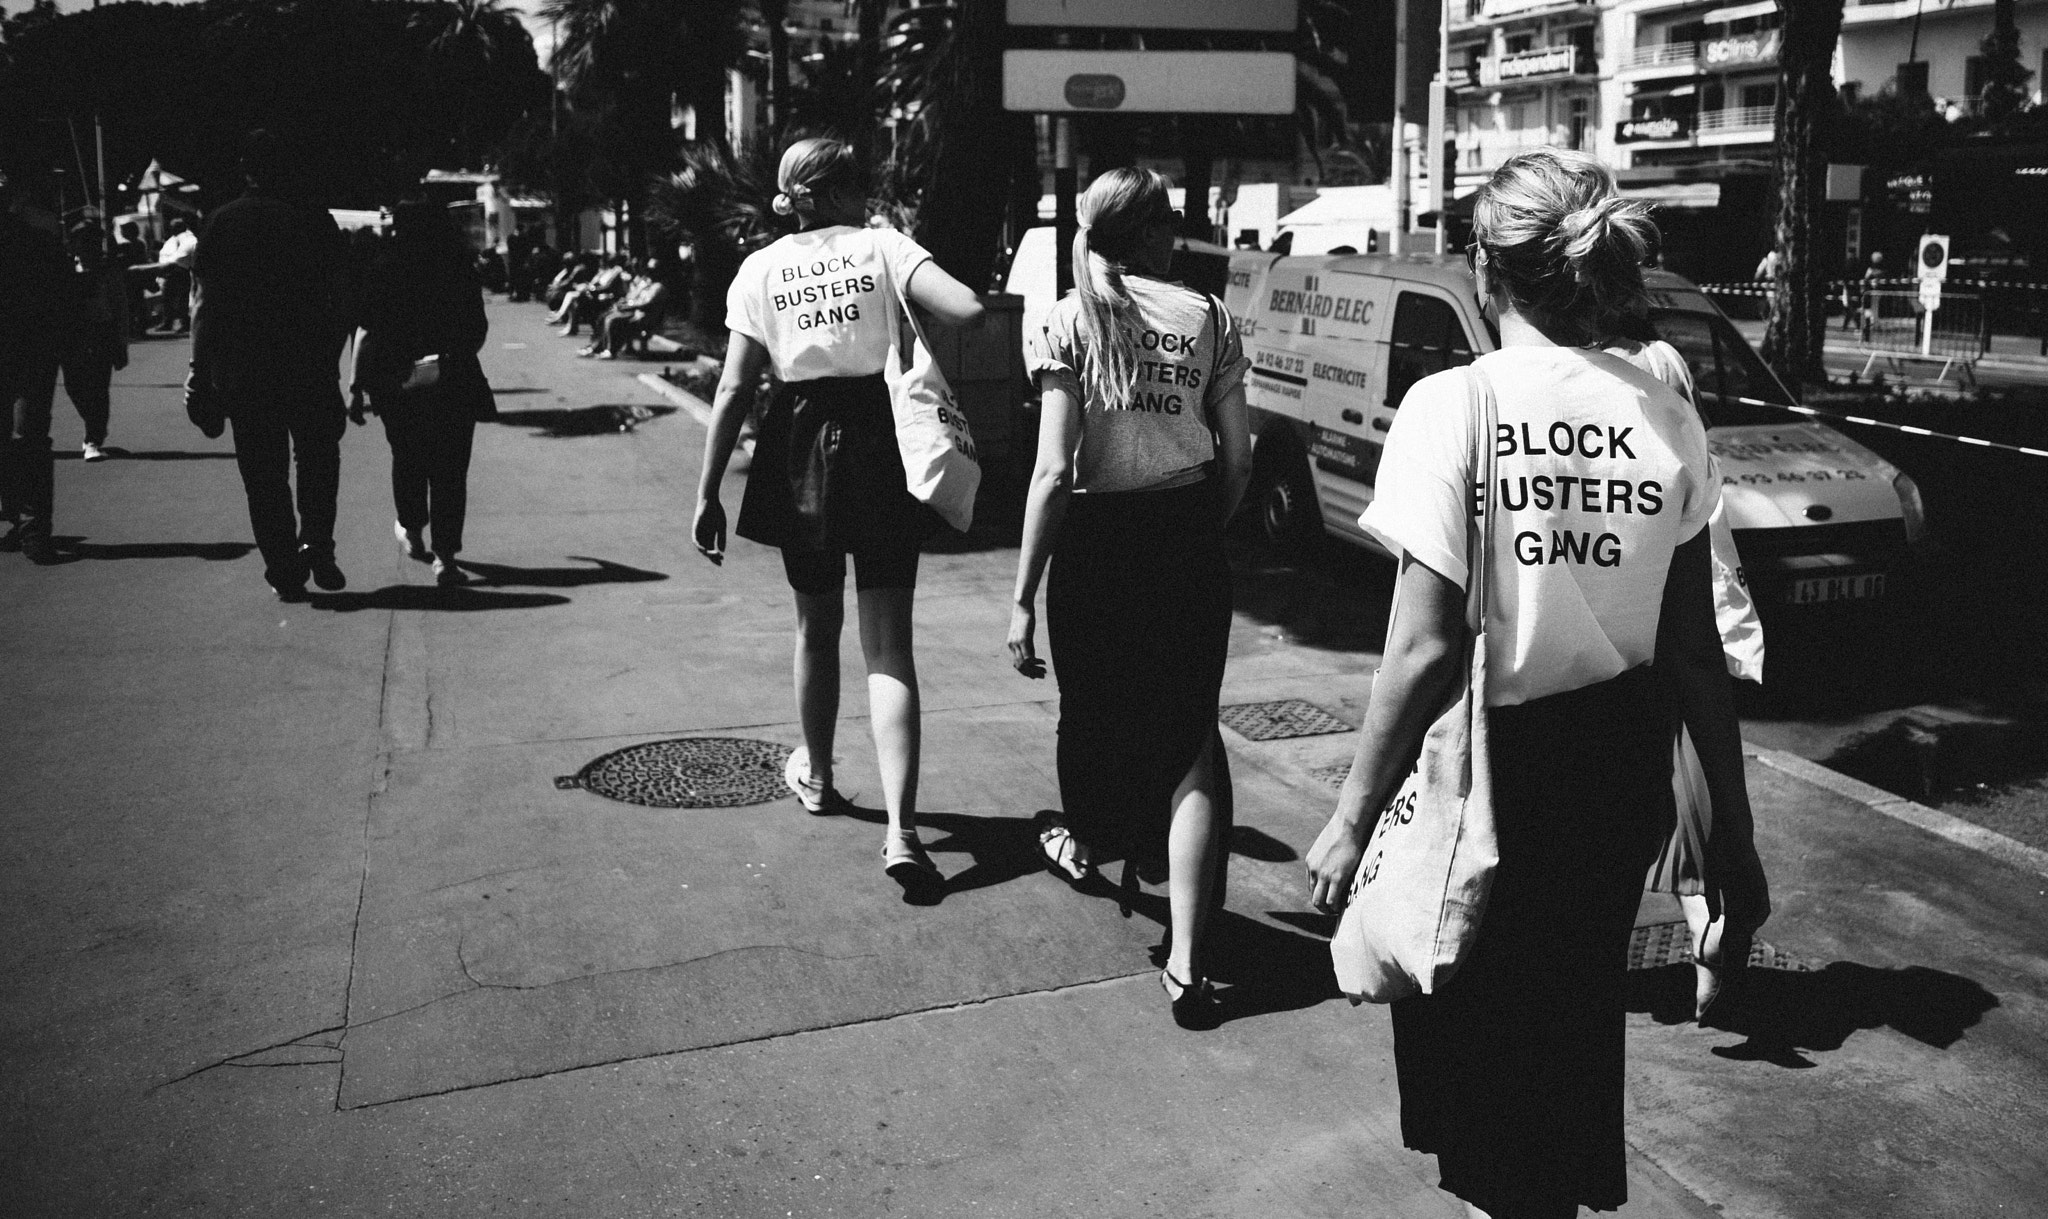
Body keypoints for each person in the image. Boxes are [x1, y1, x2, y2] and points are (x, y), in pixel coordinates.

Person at [1304, 148, 1770, 1219]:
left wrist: (1348, 816)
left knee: (1475, 1075)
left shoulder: (1451, 405)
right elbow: (1693, 651)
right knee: (1561, 1048)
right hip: (1614, 770)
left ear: (1484, 268)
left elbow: (1420, 654)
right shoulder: (1663, 411)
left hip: (1486, 776)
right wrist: (1731, 839)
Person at [692, 137, 984, 892]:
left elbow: (731, 389)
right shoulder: (883, 246)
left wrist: (707, 492)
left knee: (815, 629)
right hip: (882, 446)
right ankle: (902, 830)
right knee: (889, 645)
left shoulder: (760, 268)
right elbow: (969, 307)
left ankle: (818, 777)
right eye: (862, 182)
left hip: (799, 446)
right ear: (839, 191)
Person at [1006, 168, 1253, 1030]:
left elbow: (1049, 471)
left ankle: (1104, 837)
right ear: (1149, 233)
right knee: (1192, 742)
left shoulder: (1069, 318)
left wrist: (1022, 595)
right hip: (1183, 531)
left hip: (1095, 544)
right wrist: (1200, 528)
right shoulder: (1207, 318)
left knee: (1101, 711)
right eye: (1170, 223)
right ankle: (1187, 960)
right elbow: (1239, 459)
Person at [186, 130, 352, 600]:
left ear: (246, 168)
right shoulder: (316, 222)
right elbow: (340, 300)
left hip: (244, 370)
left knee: (263, 473)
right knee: (318, 458)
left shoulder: (220, 223)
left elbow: (203, 305)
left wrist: (199, 371)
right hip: (309, 365)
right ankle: (317, 543)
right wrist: (332, 361)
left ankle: (283, 565)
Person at [352, 200, 493, 587]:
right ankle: (445, 559)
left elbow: (366, 331)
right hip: (453, 378)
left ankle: (412, 530)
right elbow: (477, 328)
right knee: (450, 470)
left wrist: (355, 385)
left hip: (398, 381)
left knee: (408, 457)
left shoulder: (384, 267)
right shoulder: (459, 265)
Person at [0, 171, 71, 565]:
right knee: (25, 441)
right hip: (32, 355)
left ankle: (31, 529)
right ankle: (26, 526)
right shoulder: (41, 241)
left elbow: (61, 301)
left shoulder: (38, 243)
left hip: (30, 355)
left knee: (26, 440)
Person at [59, 221, 131, 463]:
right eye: (82, 240)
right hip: (72, 335)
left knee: (99, 388)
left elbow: (120, 307)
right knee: (74, 386)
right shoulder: (65, 269)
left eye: (92, 240)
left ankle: (93, 439)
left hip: (102, 332)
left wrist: (122, 342)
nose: (88, 245)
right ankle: (94, 423)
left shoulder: (108, 269)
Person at [581, 257, 669, 359]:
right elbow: (631, 296)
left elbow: (645, 304)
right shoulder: (646, 283)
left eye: (652, 270)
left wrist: (627, 306)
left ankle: (610, 350)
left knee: (612, 319)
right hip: (636, 314)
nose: (648, 273)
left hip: (646, 318)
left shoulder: (658, 287)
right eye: (648, 270)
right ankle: (596, 347)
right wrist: (625, 302)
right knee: (605, 316)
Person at [156, 218, 197, 334]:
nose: (171, 229)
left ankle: (182, 322)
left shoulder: (190, 240)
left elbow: (181, 257)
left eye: (175, 226)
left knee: (181, 299)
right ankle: (167, 321)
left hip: (180, 271)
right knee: (167, 298)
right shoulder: (171, 240)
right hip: (168, 271)